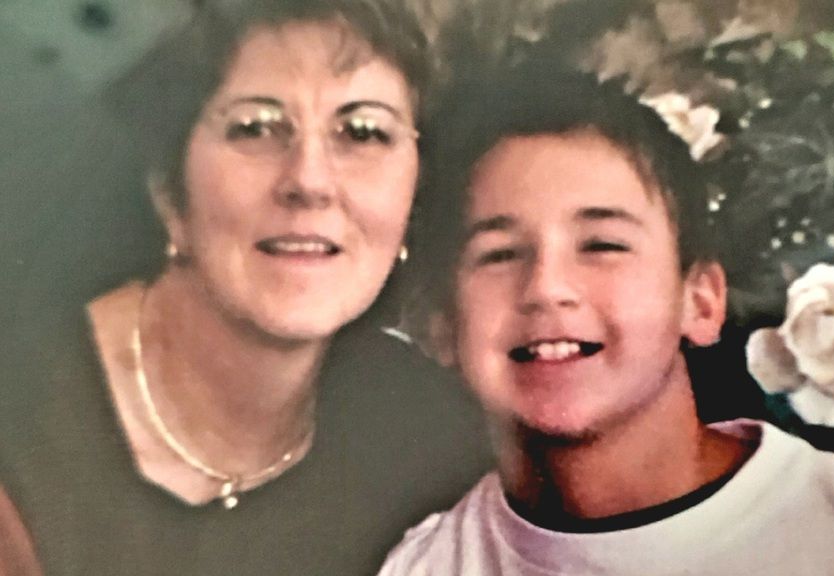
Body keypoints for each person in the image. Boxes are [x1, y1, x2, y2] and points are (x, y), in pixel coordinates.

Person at [378, 62, 834, 575]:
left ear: (702, 300)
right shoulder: (424, 566)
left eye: (602, 245)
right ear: (440, 325)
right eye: (498, 254)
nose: (547, 287)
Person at [0, 0, 489, 574]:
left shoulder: (430, 439)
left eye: (362, 132)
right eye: (255, 127)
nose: (309, 181)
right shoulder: (22, 421)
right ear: (170, 192)